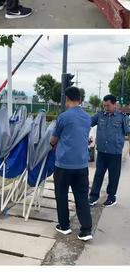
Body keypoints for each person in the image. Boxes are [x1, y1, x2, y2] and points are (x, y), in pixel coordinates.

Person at [50, 87, 92, 241]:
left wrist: (51, 144)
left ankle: (64, 226)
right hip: (82, 165)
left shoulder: (63, 117)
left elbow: (54, 140)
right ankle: (86, 230)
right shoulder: (87, 118)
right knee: (81, 196)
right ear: (80, 100)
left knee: (61, 195)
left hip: (64, 165)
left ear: (67, 98)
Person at [89, 94, 130, 207]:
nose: (105, 108)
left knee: (113, 176)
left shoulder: (122, 117)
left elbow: (128, 132)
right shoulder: (100, 115)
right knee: (98, 175)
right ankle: (93, 197)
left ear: (114, 104)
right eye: (104, 106)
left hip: (115, 152)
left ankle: (111, 197)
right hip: (102, 151)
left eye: (107, 105)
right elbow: (88, 122)